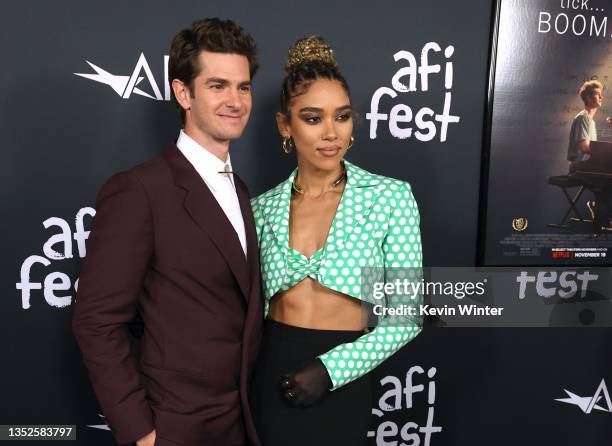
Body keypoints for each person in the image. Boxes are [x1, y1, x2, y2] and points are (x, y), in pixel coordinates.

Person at [72, 18, 263, 446]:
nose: (235, 100)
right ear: (183, 93)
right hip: (175, 426)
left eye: (243, 87)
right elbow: (96, 321)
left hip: (241, 422)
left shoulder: (242, 189)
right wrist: (141, 432)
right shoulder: (140, 190)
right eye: (218, 86)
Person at [250, 36, 423, 445]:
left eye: (341, 116)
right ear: (284, 125)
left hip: (343, 376)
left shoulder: (390, 198)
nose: (331, 133)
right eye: (312, 118)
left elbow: (407, 316)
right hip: (268, 371)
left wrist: (332, 369)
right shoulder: (260, 208)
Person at [567, 80, 611, 232]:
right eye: (598, 94)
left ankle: (600, 214)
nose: (601, 98)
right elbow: (585, 148)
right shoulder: (583, 118)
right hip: (580, 168)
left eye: (601, 95)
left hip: (588, 167)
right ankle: (599, 224)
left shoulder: (589, 120)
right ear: (587, 98)